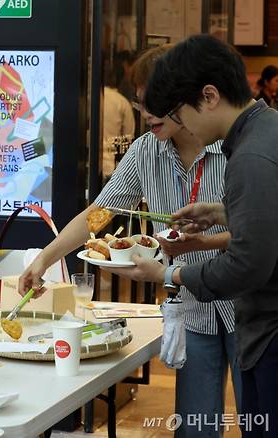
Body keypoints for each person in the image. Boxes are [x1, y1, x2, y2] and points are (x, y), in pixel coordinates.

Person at [19, 44, 240, 438]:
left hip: (250, 307)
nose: (145, 112)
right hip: (194, 306)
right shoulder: (146, 151)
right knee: (195, 428)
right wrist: (45, 258)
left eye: (152, 100)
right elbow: (99, 215)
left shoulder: (234, 145)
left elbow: (254, 232)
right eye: (139, 101)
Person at [107, 34, 278, 438]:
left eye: (181, 113)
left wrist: (169, 276)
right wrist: (221, 212)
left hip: (266, 328)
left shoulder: (250, 154)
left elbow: (248, 262)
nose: (184, 126)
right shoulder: (265, 132)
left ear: (210, 95)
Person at [102, 68, 135, 179]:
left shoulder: (89, 99)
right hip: (112, 166)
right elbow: (128, 138)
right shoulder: (122, 102)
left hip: (88, 163)